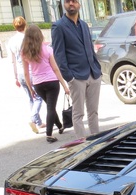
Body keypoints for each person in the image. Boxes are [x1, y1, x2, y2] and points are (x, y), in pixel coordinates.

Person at [52, 0, 102, 139]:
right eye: (68, 1)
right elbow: (59, 56)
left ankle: (97, 142)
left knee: (94, 112)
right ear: (64, 4)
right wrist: (70, 78)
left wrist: (97, 69)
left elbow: (90, 49)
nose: (71, 4)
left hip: (93, 74)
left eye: (74, 1)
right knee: (78, 114)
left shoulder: (84, 25)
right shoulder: (58, 26)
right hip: (76, 77)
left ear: (79, 4)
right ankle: (82, 145)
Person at [21, 25, 70, 143]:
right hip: (52, 81)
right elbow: (55, 68)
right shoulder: (47, 49)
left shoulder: (24, 52)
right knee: (51, 107)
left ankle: (59, 125)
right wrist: (64, 85)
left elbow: (26, 73)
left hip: (38, 84)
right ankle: (49, 134)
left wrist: (30, 88)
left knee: (50, 106)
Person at [7, 16, 45, 134]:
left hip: (20, 72)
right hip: (30, 72)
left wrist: (15, 77)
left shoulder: (11, 41)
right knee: (38, 96)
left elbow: (12, 60)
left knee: (30, 97)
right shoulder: (27, 39)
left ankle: (38, 122)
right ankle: (34, 119)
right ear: (25, 25)